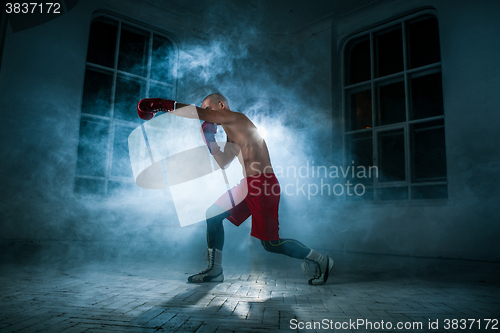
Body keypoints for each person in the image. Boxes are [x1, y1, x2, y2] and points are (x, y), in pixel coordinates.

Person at [137, 94, 334, 285]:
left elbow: (197, 113)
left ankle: (321, 259)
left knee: (271, 244)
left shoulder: (237, 118)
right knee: (213, 214)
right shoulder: (232, 135)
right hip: (248, 184)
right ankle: (215, 271)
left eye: (209, 108)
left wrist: (161, 105)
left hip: (263, 184)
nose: (206, 113)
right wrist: (210, 141)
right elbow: (223, 162)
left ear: (221, 105)